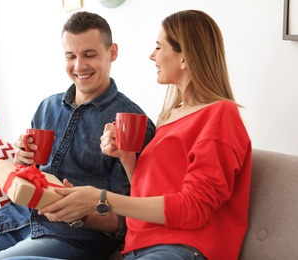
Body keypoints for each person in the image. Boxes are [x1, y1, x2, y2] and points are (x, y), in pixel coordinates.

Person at [0, 11, 155, 260]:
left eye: (89, 55)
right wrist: (22, 161)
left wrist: (80, 214)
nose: (79, 66)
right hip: (14, 219)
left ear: (112, 52)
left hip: (73, 237)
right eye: (71, 56)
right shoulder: (48, 107)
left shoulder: (132, 122)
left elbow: (129, 217)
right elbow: (28, 176)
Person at [37, 10, 252, 260]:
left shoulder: (220, 115)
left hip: (184, 248)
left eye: (159, 47)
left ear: (185, 57)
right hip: (138, 248)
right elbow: (151, 193)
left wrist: (101, 198)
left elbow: (194, 208)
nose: (152, 56)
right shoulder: (170, 115)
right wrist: (127, 158)